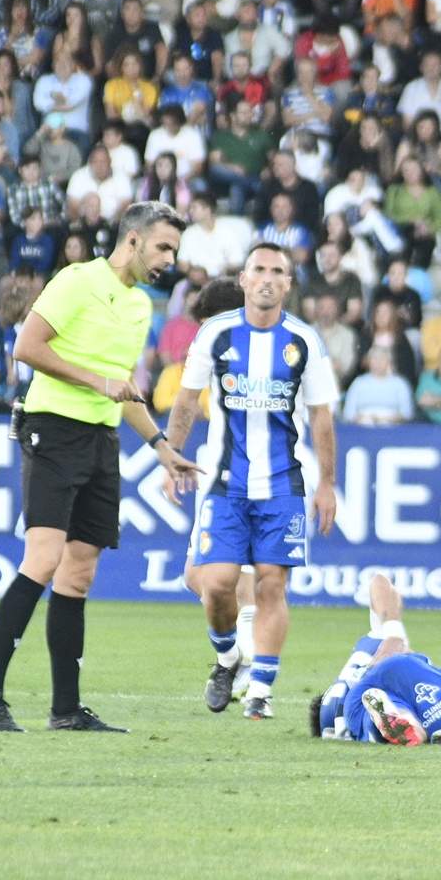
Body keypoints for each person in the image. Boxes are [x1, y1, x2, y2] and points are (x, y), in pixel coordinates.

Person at [0, 202, 200, 733]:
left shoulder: (141, 307)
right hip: (53, 425)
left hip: (101, 437)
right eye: (163, 247)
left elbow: (124, 388)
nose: (169, 259)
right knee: (44, 558)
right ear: (133, 240)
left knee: (79, 572)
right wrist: (98, 382)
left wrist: (162, 446)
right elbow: (27, 347)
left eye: (175, 251)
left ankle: (65, 710)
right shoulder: (77, 280)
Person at [164, 242, 340, 720]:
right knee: (214, 583)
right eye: (258, 269)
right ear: (243, 279)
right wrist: (171, 456)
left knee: (270, 587)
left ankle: (260, 689)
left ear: (287, 284)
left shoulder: (304, 341)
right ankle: (227, 659)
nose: (266, 278)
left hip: (282, 485)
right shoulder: (215, 335)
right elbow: (185, 401)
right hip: (224, 483)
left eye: (276, 272)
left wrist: (327, 484)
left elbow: (322, 418)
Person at [310, 573, 441, 746]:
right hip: (401, 671)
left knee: (381, 715)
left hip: (361, 700)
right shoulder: (369, 646)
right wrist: (394, 631)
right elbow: (379, 581)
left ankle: (399, 721)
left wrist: (393, 635)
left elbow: (330, 728)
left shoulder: (336, 701)